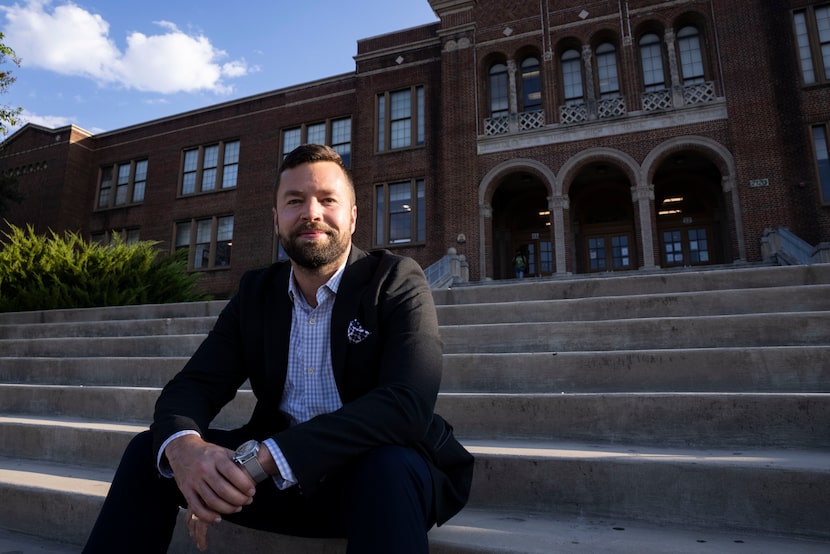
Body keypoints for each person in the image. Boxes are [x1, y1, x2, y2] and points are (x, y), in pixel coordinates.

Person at [82, 144, 473, 554]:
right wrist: (187, 452)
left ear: (353, 216)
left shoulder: (394, 280)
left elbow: (406, 405)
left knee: (388, 467)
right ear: (276, 220)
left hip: (374, 482)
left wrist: (266, 458)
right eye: (294, 201)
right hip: (277, 485)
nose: (311, 213)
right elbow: (194, 385)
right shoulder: (256, 292)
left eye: (327, 199)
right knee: (150, 451)